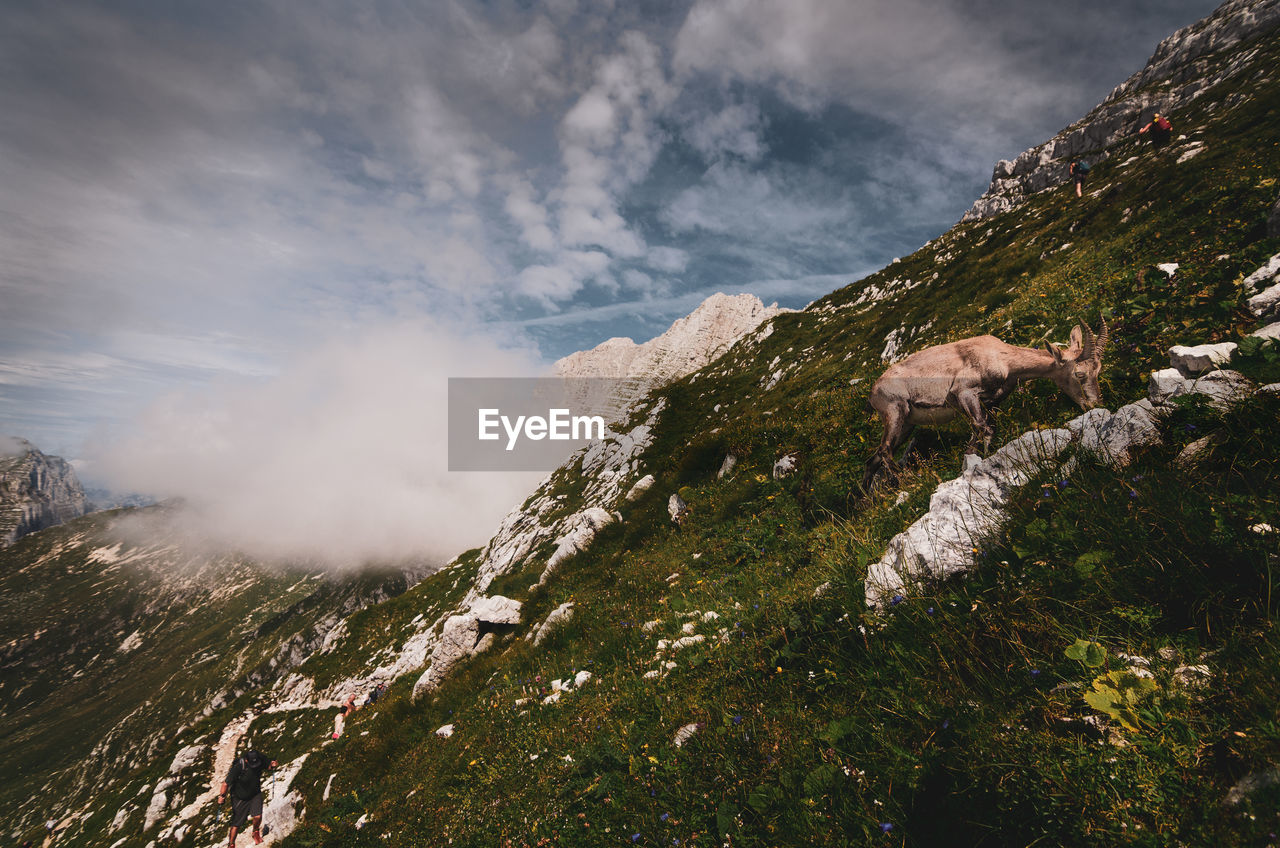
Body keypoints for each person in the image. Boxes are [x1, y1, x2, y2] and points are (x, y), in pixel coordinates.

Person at [218, 749, 277, 847]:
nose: (255, 766)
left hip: (255, 793)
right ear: (246, 760)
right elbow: (226, 783)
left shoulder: (260, 759)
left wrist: (273, 764)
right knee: (237, 823)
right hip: (240, 797)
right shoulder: (239, 767)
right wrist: (222, 796)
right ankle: (231, 844)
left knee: (257, 816)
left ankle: (255, 832)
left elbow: (269, 765)